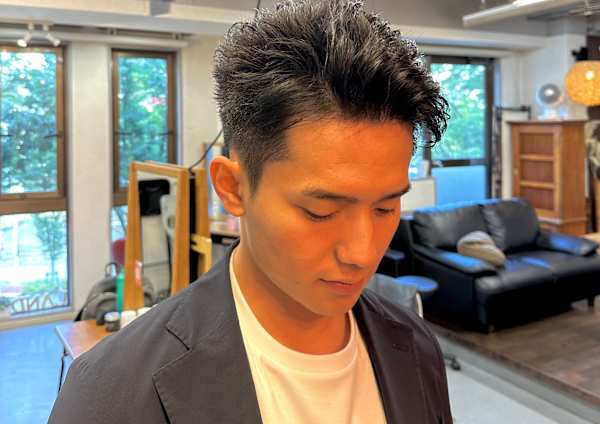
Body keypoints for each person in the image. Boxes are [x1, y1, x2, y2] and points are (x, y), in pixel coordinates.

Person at [49, 0, 451, 422]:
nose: (362, 253)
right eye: (320, 211)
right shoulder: (110, 396)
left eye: (385, 207)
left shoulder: (415, 347)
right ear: (232, 187)